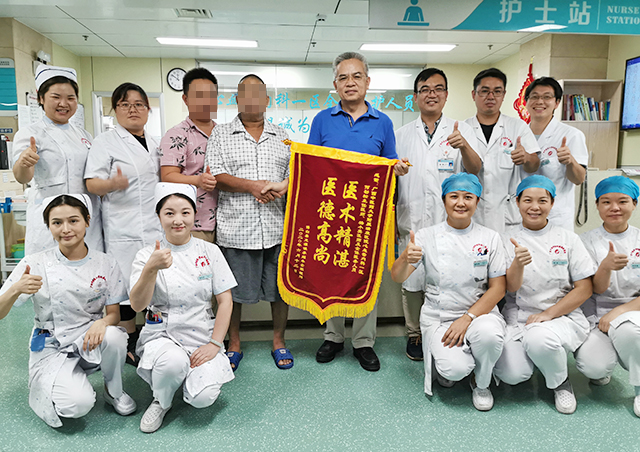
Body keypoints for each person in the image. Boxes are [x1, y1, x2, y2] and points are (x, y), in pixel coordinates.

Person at [309, 51, 408, 372]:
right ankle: (333, 336)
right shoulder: (322, 120)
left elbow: (390, 163)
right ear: (335, 84)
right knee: (332, 273)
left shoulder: (383, 122)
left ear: (367, 81)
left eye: (356, 76)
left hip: (368, 216)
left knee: (366, 278)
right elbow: (311, 165)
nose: (350, 83)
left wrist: (397, 168)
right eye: (343, 77)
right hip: (331, 214)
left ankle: (364, 342)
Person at [0, 194, 134, 428]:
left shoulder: (105, 263)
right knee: (77, 405)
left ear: (87, 221)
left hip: (89, 338)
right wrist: (16, 289)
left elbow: (114, 314)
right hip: (52, 343)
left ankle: (113, 391)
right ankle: (60, 379)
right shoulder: (35, 262)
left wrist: (102, 322)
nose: (66, 229)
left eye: (73, 220)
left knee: (114, 336)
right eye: (57, 222)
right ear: (48, 226)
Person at [391, 173, 506, 411]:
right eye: (454, 196)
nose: (460, 203)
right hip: (440, 316)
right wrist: (404, 257)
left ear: (477, 201)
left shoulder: (490, 237)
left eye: (468, 197)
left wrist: (468, 318)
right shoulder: (426, 236)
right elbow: (398, 276)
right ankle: (453, 363)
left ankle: (482, 383)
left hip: (479, 314)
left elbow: (498, 288)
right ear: (444, 201)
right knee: (454, 370)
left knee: (489, 337)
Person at [130, 183, 236, 433]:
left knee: (203, 398)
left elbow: (225, 300)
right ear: (159, 216)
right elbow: (137, 305)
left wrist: (214, 344)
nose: (178, 220)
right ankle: (162, 400)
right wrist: (151, 269)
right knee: (172, 363)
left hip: (201, 333)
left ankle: (186, 382)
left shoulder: (209, 251)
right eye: (169, 213)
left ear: (194, 214)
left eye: (185, 212)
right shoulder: (146, 254)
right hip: (162, 333)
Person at [206, 74, 292, 371]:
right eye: (246, 93)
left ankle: (279, 341)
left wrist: (281, 187)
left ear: (267, 100)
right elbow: (216, 175)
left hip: (276, 227)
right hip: (236, 229)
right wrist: (253, 186)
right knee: (232, 293)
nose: (253, 99)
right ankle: (234, 344)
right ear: (237, 99)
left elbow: (294, 175)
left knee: (280, 292)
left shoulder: (283, 136)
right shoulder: (221, 134)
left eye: (259, 94)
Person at [396, 67, 482, 361]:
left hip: (450, 222)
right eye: (425, 89)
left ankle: (448, 327)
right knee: (412, 279)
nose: (431, 94)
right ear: (415, 96)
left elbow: (475, 169)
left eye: (437, 89)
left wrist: (464, 146)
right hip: (413, 218)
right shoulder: (401, 134)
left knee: (449, 275)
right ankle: (414, 333)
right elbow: (390, 178)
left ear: (446, 95)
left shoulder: (461, 129)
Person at [494, 175, 595, 414]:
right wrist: (518, 264)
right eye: (527, 200)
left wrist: (549, 314)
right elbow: (510, 288)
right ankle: (543, 358)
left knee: (539, 339)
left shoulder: (568, 239)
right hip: (520, 315)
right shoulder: (505, 239)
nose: (535, 207)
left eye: (542, 200)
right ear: (517, 202)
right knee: (512, 374)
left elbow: (585, 288)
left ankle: (561, 383)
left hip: (560, 314)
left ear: (552, 203)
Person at [85, 82, 163, 365]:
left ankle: (152, 337)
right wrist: (112, 184)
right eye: (124, 104)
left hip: (154, 225)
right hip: (123, 225)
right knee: (125, 286)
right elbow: (91, 183)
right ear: (115, 110)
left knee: (154, 283)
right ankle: (129, 340)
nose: (133, 109)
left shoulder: (156, 142)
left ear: (148, 109)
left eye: (139, 104)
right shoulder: (105, 142)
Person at [12, 65, 103, 255]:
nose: (64, 103)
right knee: (49, 268)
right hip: (50, 219)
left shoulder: (84, 135)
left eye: (70, 98)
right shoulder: (30, 133)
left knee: (90, 268)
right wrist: (24, 162)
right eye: (56, 97)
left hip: (85, 218)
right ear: (41, 98)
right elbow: (22, 177)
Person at [575, 176, 640, 417]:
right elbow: (593, 289)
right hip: (595, 311)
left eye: (622, 201)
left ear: (634, 204)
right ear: (597, 205)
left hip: (633, 310)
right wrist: (605, 267)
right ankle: (606, 364)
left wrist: (619, 312)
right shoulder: (584, 241)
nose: (614, 208)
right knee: (594, 368)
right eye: (606, 202)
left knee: (630, 332)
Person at [465, 67, 540, 234]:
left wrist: (526, 157)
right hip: (473, 215)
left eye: (497, 91)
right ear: (474, 94)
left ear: (504, 95)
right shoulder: (464, 129)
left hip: (508, 219)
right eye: (484, 91)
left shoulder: (517, 126)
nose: (491, 96)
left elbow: (534, 164)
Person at [160, 68, 218, 242]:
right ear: (186, 99)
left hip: (226, 223)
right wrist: (198, 180)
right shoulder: (177, 135)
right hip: (193, 225)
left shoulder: (223, 133)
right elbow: (168, 176)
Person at [526, 77, 588, 231]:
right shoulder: (517, 134)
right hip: (521, 215)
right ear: (526, 101)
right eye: (534, 97)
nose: (540, 101)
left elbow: (579, 179)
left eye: (547, 97)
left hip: (555, 217)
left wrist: (570, 161)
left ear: (557, 103)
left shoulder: (572, 135)